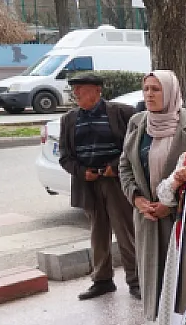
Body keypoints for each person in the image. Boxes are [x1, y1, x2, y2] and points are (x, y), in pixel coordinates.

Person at [118, 70, 186, 319]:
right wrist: (137, 199)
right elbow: (125, 166)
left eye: (156, 89)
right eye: (146, 89)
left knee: (181, 283)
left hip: (179, 219)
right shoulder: (138, 123)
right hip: (147, 218)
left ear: (171, 92)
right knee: (154, 280)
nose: (149, 94)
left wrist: (170, 205)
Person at [59, 73, 140, 301]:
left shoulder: (121, 112)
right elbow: (65, 156)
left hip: (115, 180)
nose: (76, 93)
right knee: (98, 232)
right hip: (88, 183)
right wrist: (81, 171)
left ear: (97, 90)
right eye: (74, 90)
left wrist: (114, 167)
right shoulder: (69, 119)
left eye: (81, 89)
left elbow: (132, 146)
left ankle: (136, 280)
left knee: (125, 231)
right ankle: (102, 280)